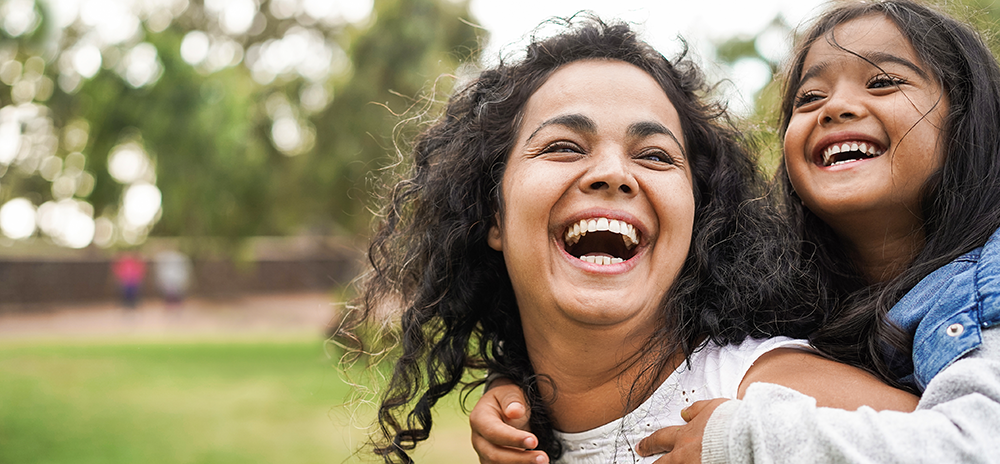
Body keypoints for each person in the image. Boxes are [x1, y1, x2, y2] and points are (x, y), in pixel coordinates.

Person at [344, 15, 916, 464]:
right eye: (564, 145)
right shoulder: (524, 424)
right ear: (492, 215)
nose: (615, 173)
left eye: (654, 155)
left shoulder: (766, 398)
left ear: (698, 219)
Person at [471, 1, 1000, 463]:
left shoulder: (981, 289)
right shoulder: (816, 298)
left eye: (655, 155)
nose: (835, 107)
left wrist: (744, 439)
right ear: (491, 213)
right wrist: (525, 388)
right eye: (808, 99)